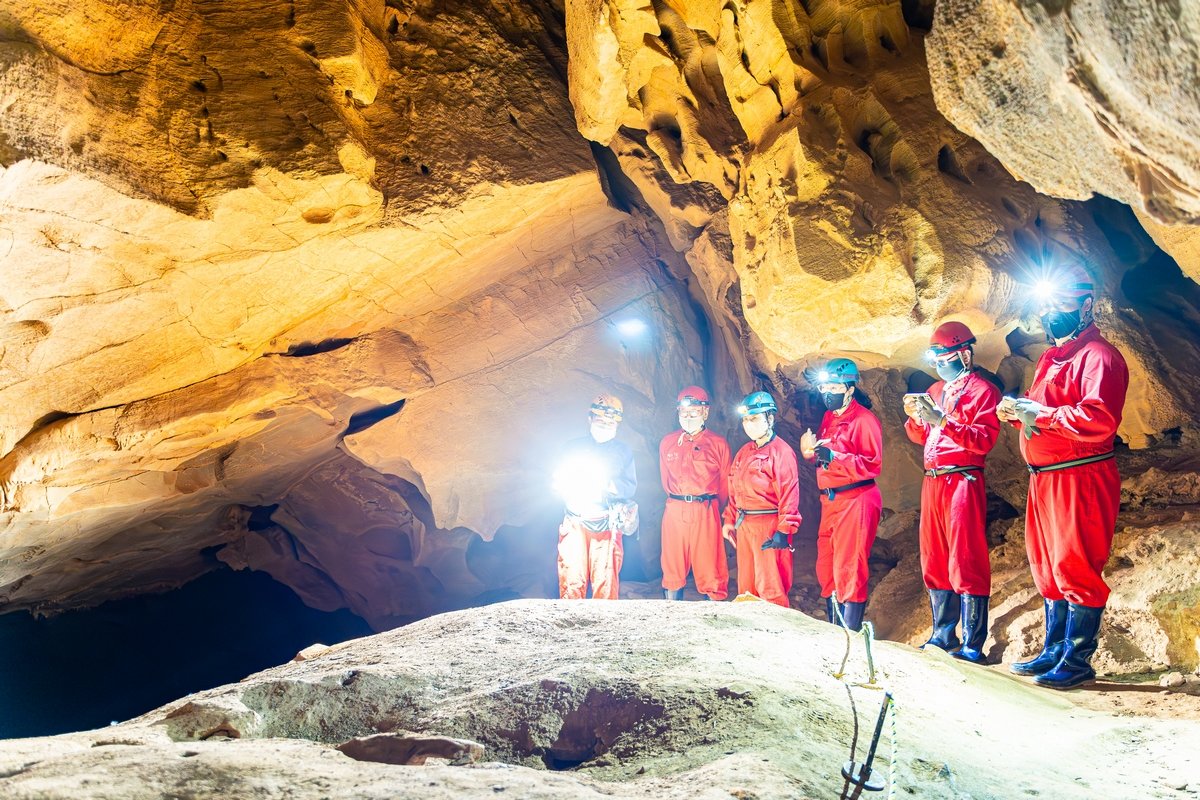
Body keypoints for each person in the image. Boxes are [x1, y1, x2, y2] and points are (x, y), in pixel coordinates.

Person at [998, 263, 1128, 689]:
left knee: (1075, 563)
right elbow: (1048, 417)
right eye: (1046, 306)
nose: (1052, 313)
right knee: (1047, 565)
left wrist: (1043, 413)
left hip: (1080, 475)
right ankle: (1054, 649)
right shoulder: (1054, 358)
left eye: (1061, 305)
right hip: (1046, 476)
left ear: (1087, 306)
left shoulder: (1099, 356)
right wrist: (1019, 414)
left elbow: (1098, 419)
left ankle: (1078, 658)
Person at [903, 322, 1001, 663]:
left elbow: (983, 440)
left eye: (944, 357)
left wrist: (943, 421)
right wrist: (917, 418)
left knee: (965, 552)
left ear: (964, 354)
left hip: (963, 478)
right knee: (934, 552)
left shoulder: (983, 391)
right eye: (937, 359)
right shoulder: (936, 388)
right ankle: (943, 632)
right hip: (934, 480)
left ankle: (973, 642)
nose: (940, 364)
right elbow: (919, 436)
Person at [800, 358, 883, 632]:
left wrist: (835, 456)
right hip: (831, 499)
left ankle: (850, 631)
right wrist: (812, 454)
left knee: (849, 564)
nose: (827, 392)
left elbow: (872, 464)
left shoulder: (864, 420)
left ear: (849, 388)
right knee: (827, 563)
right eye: (824, 387)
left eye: (834, 386)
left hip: (856, 499)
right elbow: (826, 459)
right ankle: (835, 629)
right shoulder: (829, 418)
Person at [553, 394, 637, 600]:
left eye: (610, 423)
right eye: (601, 421)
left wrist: (608, 486)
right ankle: (570, 626)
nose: (605, 426)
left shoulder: (623, 452)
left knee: (605, 582)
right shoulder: (572, 448)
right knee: (572, 578)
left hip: (606, 525)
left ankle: (606, 629)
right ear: (589, 419)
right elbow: (556, 482)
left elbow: (630, 487)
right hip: (575, 521)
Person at [721, 391, 801, 607]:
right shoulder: (744, 452)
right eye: (746, 420)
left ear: (770, 418)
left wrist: (784, 530)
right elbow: (734, 489)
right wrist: (729, 520)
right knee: (747, 585)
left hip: (769, 526)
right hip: (745, 524)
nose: (749, 424)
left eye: (754, 418)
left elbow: (789, 493)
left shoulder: (781, 452)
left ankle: (775, 635)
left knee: (770, 585)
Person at [659, 386, 732, 601]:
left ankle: (713, 617)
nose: (688, 417)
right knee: (672, 565)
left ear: (705, 412)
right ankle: (672, 616)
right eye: (684, 413)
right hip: (675, 509)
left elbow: (725, 483)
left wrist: (711, 505)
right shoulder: (668, 443)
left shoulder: (718, 444)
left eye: (694, 413)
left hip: (706, 508)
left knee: (710, 565)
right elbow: (665, 479)